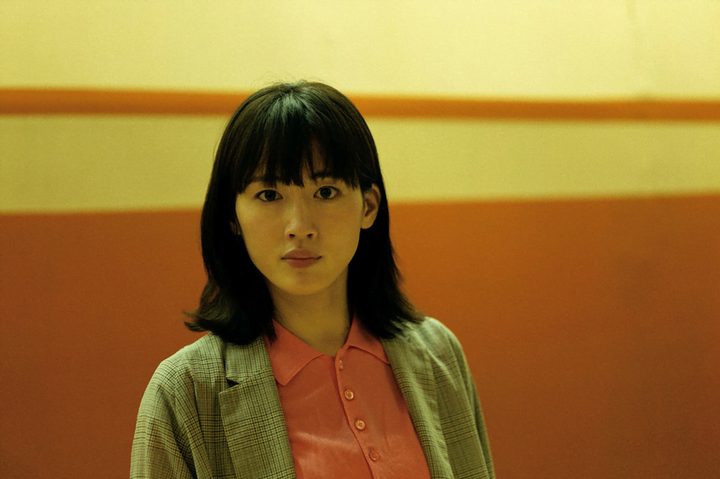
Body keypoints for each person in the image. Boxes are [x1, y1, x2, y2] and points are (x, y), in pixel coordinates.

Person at [130, 81, 494, 479]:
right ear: (232, 216)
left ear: (368, 206)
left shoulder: (439, 353)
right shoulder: (184, 393)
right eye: (269, 195)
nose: (299, 226)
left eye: (326, 191)